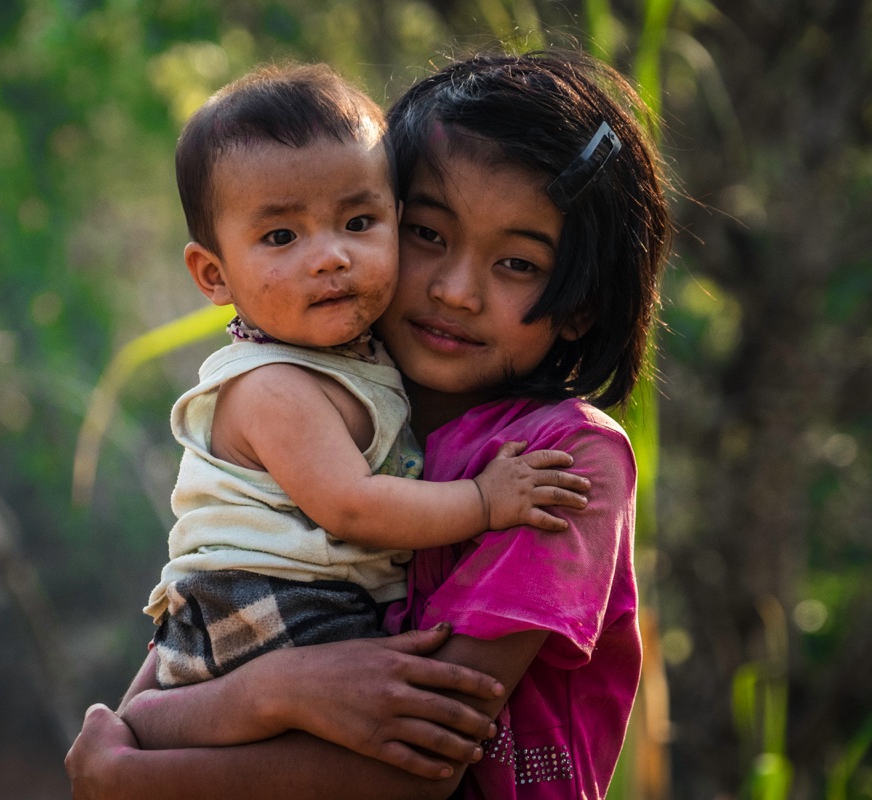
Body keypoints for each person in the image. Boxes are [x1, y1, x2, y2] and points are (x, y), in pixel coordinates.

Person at [66, 48, 672, 800]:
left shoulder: (562, 462)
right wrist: (271, 693)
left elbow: (418, 766)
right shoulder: (327, 400)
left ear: (580, 303)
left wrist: (138, 771)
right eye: (427, 234)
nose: (455, 291)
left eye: (517, 264)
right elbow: (153, 699)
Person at [146, 63, 587, 692]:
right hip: (261, 607)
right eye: (280, 236)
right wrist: (485, 502)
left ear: (395, 218)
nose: (331, 256)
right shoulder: (273, 386)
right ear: (214, 275)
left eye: (358, 224)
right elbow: (353, 505)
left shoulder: (358, 357)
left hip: (306, 606)